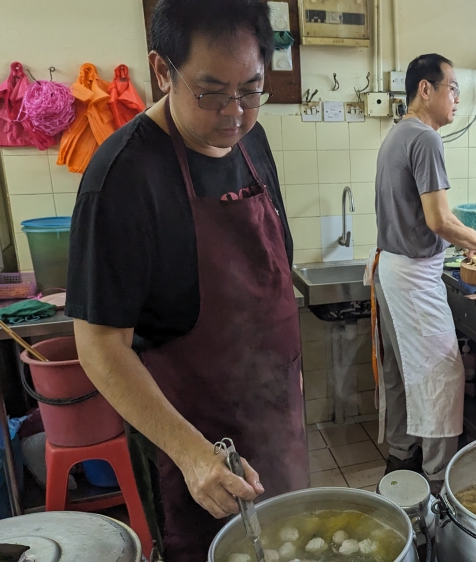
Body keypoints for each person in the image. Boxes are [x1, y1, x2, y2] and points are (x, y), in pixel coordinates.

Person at [66, 1, 307, 559]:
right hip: (188, 448)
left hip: (274, 423)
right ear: (161, 69)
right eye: (211, 91)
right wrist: (193, 454)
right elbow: (100, 346)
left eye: (250, 89)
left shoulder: (253, 140)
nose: (234, 112)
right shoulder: (123, 179)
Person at [369, 54, 476, 491]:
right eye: (451, 88)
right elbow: (439, 220)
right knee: (440, 375)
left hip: (393, 270)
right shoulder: (426, 139)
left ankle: (401, 464)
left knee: (402, 376)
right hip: (412, 277)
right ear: (425, 90)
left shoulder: (398, 133)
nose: (457, 99)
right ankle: (435, 482)